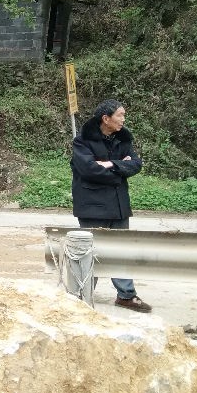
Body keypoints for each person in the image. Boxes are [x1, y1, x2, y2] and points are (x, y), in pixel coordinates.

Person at [71, 99, 152, 312]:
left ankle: (126, 295)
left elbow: (136, 164)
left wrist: (109, 164)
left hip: (118, 204)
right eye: (120, 115)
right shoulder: (82, 141)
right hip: (92, 206)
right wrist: (120, 169)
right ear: (106, 119)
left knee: (120, 250)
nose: (123, 119)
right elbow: (88, 170)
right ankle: (81, 295)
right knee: (90, 252)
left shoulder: (123, 139)